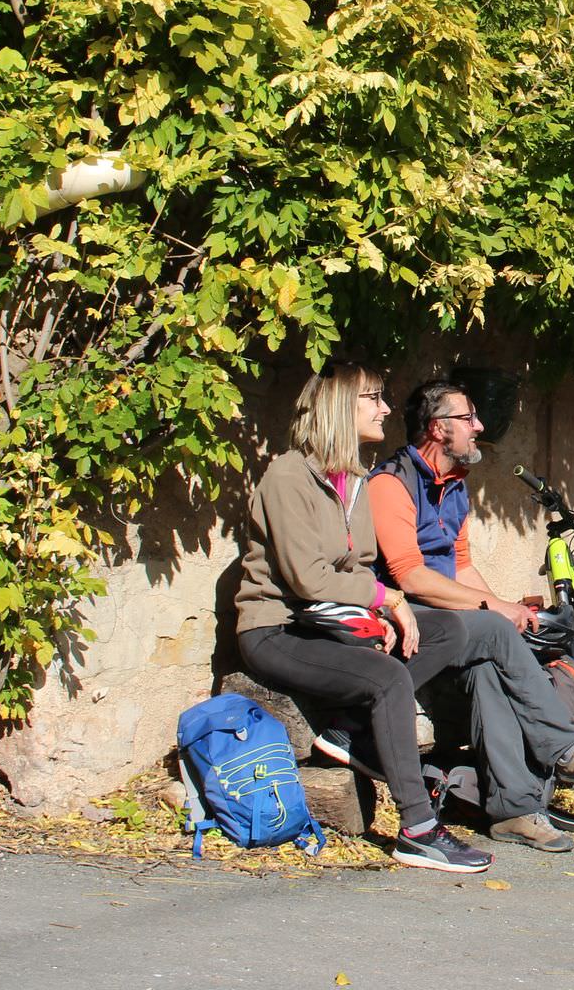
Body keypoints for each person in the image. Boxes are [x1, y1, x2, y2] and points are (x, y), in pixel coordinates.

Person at [360, 378, 574, 854]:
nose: (479, 426)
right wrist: (494, 610)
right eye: (468, 418)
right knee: (492, 627)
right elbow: (411, 577)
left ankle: (515, 813)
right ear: (437, 428)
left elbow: (461, 566)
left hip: (456, 634)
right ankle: (567, 747)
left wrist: (506, 609)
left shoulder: (455, 489)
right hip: (412, 635)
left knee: (490, 669)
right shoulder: (391, 484)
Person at [234, 363, 492, 873]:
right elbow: (308, 579)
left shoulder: (353, 479)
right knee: (389, 676)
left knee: (447, 629)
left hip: (326, 621)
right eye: (373, 398)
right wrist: (388, 601)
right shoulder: (289, 475)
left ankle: (349, 731)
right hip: (276, 629)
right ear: (339, 408)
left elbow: (361, 565)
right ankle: (417, 828)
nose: (386, 410)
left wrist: (385, 609)